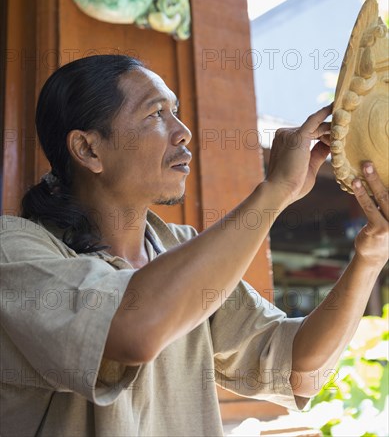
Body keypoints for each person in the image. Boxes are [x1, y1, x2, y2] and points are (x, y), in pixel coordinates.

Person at [0, 54, 387, 437]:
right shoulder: (15, 251)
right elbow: (133, 331)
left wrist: (370, 256)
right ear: (88, 150)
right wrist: (274, 192)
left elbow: (299, 370)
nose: (183, 131)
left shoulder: (178, 247)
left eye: (176, 111)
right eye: (155, 114)